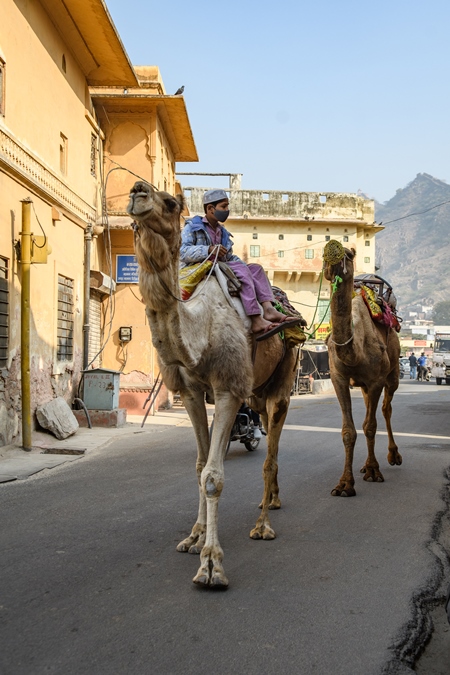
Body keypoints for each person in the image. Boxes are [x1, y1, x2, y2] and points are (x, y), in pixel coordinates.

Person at [180, 189, 301, 338]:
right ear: (211, 209)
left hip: (223, 266)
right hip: (202, 268)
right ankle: (256, 318)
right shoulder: (192, 227)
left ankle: (268, 309)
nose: (227, 210)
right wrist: (208, 250)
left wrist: (244, 265)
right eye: (223, 207)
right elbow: (182, 252)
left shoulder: (222, 232)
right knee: (240, 269)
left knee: (255, 269)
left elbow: (229, 256)